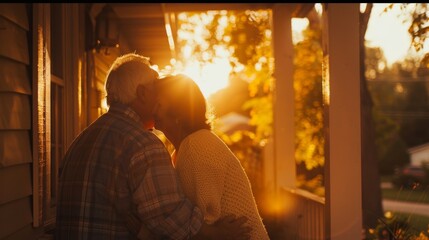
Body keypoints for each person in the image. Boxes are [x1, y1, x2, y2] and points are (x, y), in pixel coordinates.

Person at [55, 53, 250, 240]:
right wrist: (218, 235)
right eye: (156, 87)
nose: (160, 95)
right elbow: (169, 215)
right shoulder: (142, 144)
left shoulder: (80, 141)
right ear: (142, 93)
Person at [153, 74, 271, 240]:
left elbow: (203, 222)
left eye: (158, 104)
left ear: (177, 114)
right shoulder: (186, 147)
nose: (153, 109)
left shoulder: (196, 145)